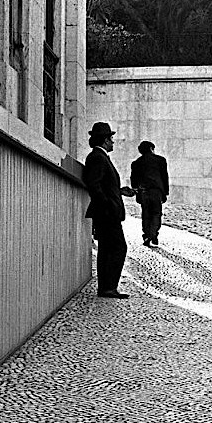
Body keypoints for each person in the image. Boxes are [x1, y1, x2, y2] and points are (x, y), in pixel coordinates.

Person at [84, 122, 133, 299]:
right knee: (118, 248)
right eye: (111, 139)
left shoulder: (100, 157)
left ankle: (106, 287)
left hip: (106, 212)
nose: (113, 142)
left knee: (107, 249)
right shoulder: (98, 157)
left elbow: (103, 185)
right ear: (105, 140)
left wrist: (120, 191)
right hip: (106, 214)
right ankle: (108, 287)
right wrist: (108, 205)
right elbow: (94, 185)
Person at [130, 140, 170, 247]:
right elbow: (164, 177)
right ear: (152, 149)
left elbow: (134, 180)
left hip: (144, 192)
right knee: (156, 213)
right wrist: (165, 193)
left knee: (146, 214)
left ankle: (147, 235)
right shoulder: (160, 161)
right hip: (156, 191)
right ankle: (154, 234)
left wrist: (137, 193)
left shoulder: (136, 163)